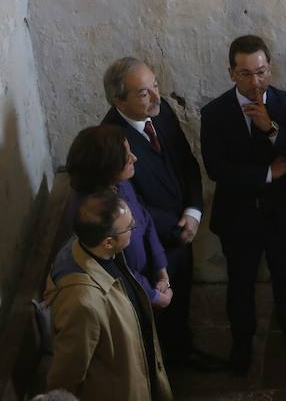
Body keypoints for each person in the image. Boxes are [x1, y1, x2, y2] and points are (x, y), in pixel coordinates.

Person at [201, 34, 286, 373]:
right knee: (240, 283)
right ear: (232, 73)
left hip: (282, 212)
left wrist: (272, 130)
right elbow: (216, 168)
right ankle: (241, 345)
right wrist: (267, 173)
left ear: (270, 68)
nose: (255, 81)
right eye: (246, 74)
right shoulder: (215, 113)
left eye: (261, 72)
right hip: (239, 215)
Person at [101, 57, 218, 371]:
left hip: (182, 229)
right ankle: (161, 370)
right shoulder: (111, 139)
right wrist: (176, 225)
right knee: (157, 314)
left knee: (181, 301)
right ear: (118, 101)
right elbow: (127, 202)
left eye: (155, 86)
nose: (156, 96)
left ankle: (183, 354)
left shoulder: (161, 111)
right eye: (144, 93)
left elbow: (186, 162)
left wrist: (193, 211)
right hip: (148, 239)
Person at [45, 189, 173, 400]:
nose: (134, 228)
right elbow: (67, 375)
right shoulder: (82, 302)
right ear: (108, 242)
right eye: (130, 227)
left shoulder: (102, 251)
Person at [65, 125, 172, 309]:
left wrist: (161, 268)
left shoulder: (119, 182)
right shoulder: (93, 213)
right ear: (107, 167)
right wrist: (153, 295)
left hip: (148, 277)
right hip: (130, 297)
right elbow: (117, 269)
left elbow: (143, 216)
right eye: (127, 158)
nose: (135, 158)